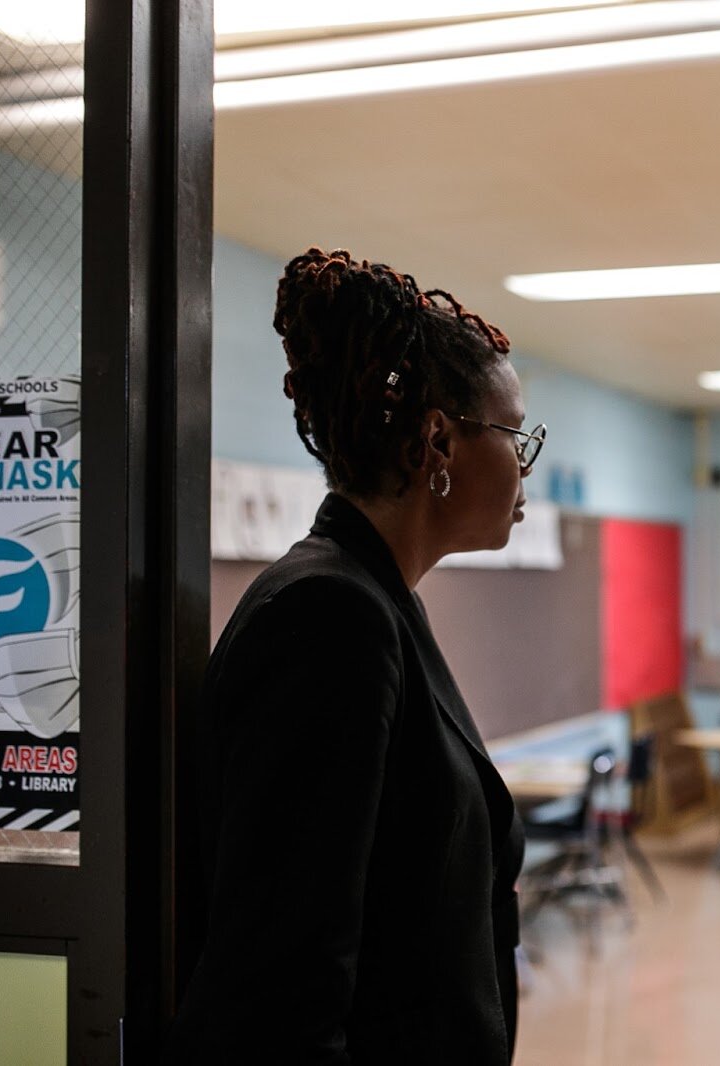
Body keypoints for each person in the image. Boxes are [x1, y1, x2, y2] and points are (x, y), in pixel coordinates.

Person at [164, 248, 546, 1065]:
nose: (526, 468)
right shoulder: (328, 617)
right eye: (517, 435)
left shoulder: (376, 601)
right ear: (439, 442)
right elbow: (281, 988)